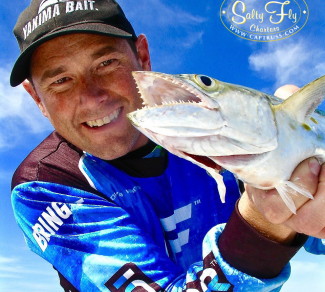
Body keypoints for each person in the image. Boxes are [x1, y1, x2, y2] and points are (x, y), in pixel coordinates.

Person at [9, 0, 324, 291]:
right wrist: (264, 223)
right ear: (37, 98)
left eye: (106, 63)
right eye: (60, 81)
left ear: (143, 57)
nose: (93, 98)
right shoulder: (45, 184)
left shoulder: (223, 130)